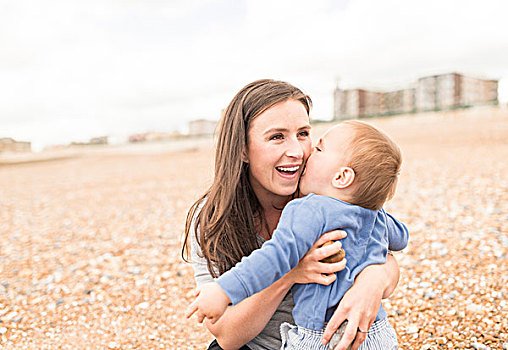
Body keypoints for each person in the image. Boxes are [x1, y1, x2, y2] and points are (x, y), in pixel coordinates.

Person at [182, 79, 403, 350]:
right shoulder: (212, 220)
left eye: (303, 134)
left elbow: (383, 248)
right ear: (242, 149)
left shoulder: (329, 193)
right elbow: (227, 337)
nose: (297, 152)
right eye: (277, 137)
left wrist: (373, 281)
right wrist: (291, 272)